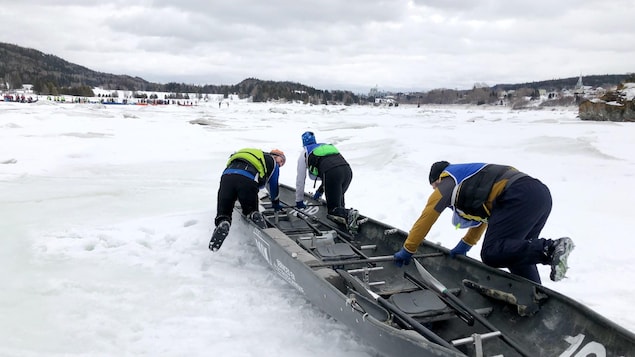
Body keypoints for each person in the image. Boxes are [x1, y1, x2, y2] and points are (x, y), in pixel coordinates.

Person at [393, 161, 575, 284]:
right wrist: (466, 244)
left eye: (433, 186)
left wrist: (408, 249)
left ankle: (551, 248)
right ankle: (536, 294)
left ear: (437, 179)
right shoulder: (470, 178)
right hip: (538, 194)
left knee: (491, 253)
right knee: (516, 252)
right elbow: (484, 217)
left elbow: (426, 218)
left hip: (517, 194)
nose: (434, 190)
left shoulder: (448, 182)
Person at [208, 148, 286, 251]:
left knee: (224, 212)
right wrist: (275, 203)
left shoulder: (253, 154)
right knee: (251, 210)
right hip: (248, 178)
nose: (280, 164)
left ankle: (223, 222)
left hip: (227, 176)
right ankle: (255, 216)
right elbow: (273, 186)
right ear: (274, 155)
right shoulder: (272, 163)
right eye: (281, 161)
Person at [295, 131, 359, 230]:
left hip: (332, 174)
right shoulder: (324, 147)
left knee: (333, 210)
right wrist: (320, 191)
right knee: (339, 205)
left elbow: (300, 179)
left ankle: (350, 214)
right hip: (347, 171)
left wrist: (299, 201)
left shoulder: (305, 152)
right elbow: (332, 168)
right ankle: (347, 224)